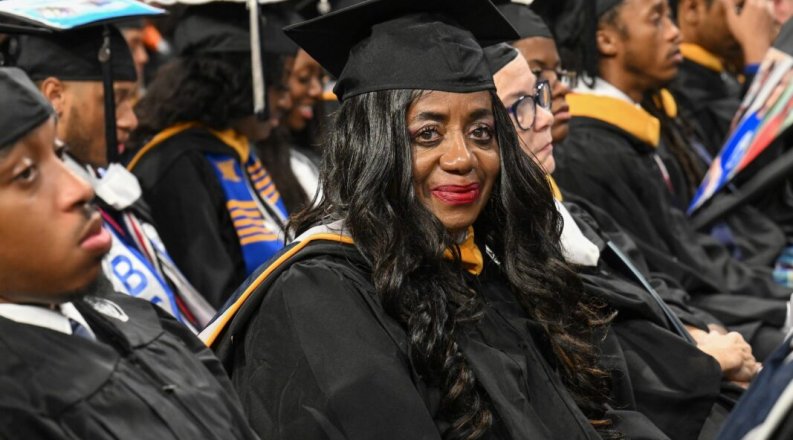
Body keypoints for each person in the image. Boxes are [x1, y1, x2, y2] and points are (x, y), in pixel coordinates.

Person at [202, 0, 632, 438]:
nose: (463, 158)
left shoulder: (487, 271)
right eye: (428, 134)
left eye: (481, 132)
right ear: (373, 147)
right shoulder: (319, 297)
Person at [487, 39, 753, 439]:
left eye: (539, 92)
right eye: (520, 105)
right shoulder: (499, 254)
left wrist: (700, 333)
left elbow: (654, 284)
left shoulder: (565, 212)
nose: (545, 115)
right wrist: (703, 360)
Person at [0, 66, 257, 440]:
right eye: (25, 174)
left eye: (59, 153)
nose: (80, 187)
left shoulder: (138, 318)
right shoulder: (15, 411)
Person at [552, 0, 788, 360]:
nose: (674, 31)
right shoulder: (590, 150)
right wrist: (775, 304)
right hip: (683, 319)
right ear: (606, 40)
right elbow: (666, 268)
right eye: (657, 18)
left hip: (711, 296)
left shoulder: (643, 122)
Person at [15, 25, 214, 331]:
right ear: (55, 96)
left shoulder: (117, 191)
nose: (130, 120)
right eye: (116, 99)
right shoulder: (38, 223)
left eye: (132, 101)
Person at [128, 3, 293, 308]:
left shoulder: (237, 151)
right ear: (241, 82)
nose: (285, 98)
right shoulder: (177, 166)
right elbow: (211, 296)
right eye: (275, 83)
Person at [670, 0, 776, 156]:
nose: (757, 20)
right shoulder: (680, 86)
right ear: (692, 9)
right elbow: (750, 161)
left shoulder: (722, 68)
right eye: (740, 8)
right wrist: (758, 59)